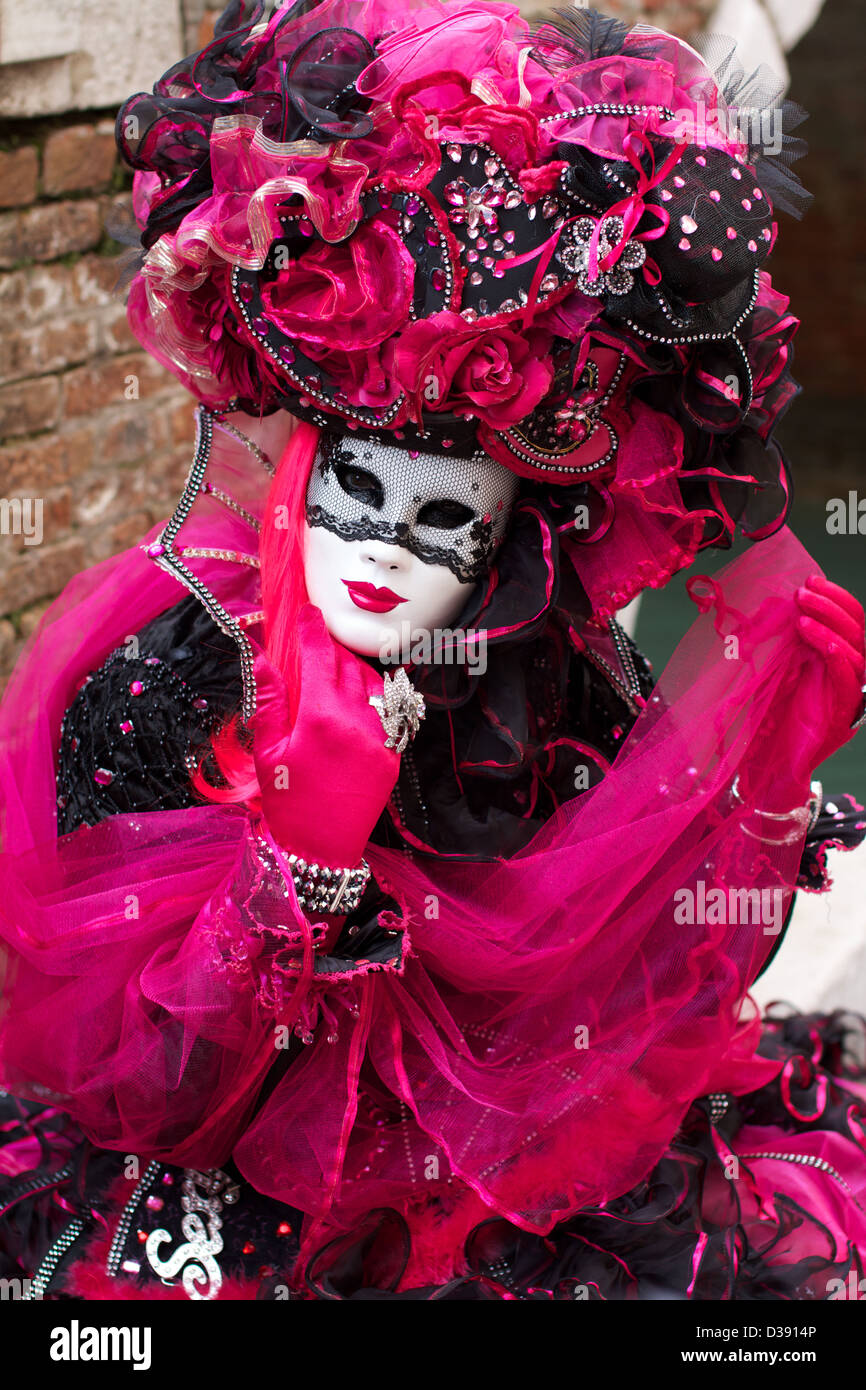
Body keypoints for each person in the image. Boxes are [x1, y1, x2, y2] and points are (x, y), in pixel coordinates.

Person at [1, 0, 865, 1301]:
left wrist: (758, 774)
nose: (383, 553)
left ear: (516, 531)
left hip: (486, 1194)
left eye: (448, 515)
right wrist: (291, 870)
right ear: (300, 471)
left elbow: (640, 1004)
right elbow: (136, 1089)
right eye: (354, 490)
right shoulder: (157, 688)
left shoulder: (544, 691)